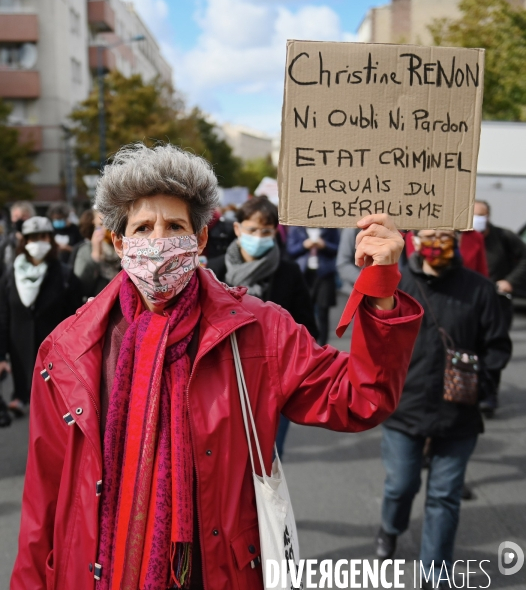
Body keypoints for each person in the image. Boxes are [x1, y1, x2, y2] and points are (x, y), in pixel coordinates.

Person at [11, 142, 423, 590]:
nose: (158, 242)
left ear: (201, 238)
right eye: (143, 227)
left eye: (175, 226)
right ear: (119, 242)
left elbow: (361, 399)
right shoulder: (69, 349)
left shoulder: (258, 329)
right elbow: (43, 500)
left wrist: (380, 286)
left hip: (217, 573)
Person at [375, 229, 511, 590]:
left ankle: (435, 575)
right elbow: (375, 336)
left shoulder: (480, 289)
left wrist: (480, 386)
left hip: (458, 413)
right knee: (400, 485)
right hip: (405, 405)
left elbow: (497, 346)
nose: (436, 241)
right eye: (428, 234)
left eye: (445, 234)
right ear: (414, 238)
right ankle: (390, 528)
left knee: (444, 496)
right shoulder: (396, 286)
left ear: (457, 239)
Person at [208, 196, 318, 458]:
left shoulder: (289, 273)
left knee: (267, 460)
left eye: (266, 231)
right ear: (238, 229)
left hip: (273, 386)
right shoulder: (213, 271)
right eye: (252, 230)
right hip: (222, 386)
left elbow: (308, 327)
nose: (258, 237)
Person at [0, 217, 83, 418]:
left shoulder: (64, 275)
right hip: (18, 347)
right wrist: (1, 356)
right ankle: (20, 397)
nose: (38, 242)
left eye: (43, 237)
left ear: (51, 240)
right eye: (33, 238)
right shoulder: (11, 275)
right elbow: (3, 315)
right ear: (24, 241)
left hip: (55, 351)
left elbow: (76, 317)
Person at [473, 199, 526, 414]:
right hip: (470, 303)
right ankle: (467, 392)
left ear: (488, 216)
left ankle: (489, 394)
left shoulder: (504, 237)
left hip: (497, 303)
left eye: (481, 215)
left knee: (493, 348)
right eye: (473, 214)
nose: (477, 219)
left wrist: (511, 281)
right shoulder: (461, 237)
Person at [287, 226, 340, 346]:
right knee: (303, 310)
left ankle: (322, 345)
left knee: (323, 311)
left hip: (324, 274)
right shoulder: (296, 228)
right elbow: (290, 250)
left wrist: (324, 245)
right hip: (304, 274)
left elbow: (337, 248)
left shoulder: (331, 228)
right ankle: (307, 344)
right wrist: (304, 246)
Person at [72, 209, 121, 300]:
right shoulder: (85, 251)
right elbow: (80, 288)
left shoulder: (126, 248)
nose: (107, 229)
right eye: (101, 225)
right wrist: (95, 257)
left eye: (110, 224)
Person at [0, 201, 36, 278]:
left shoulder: (38, 241)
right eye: (16, 216)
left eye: (24, 216)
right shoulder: (6, 242)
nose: (19, 220)